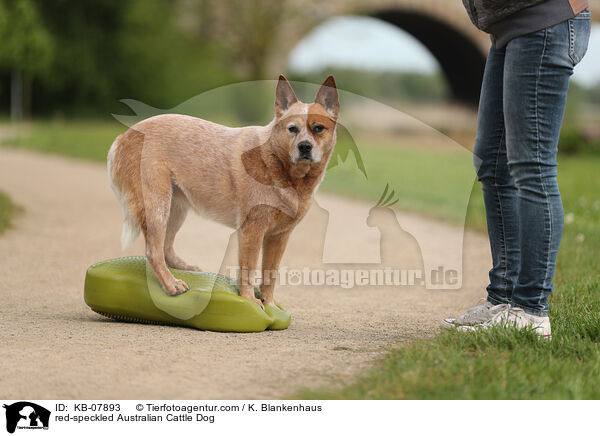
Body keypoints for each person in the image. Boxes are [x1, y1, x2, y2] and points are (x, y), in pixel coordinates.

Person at [442, 0, 591, 338]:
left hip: (544, 19)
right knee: (492, 164)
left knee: (532, 166)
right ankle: (504, 300)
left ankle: (531, 310)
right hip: (508, 27)